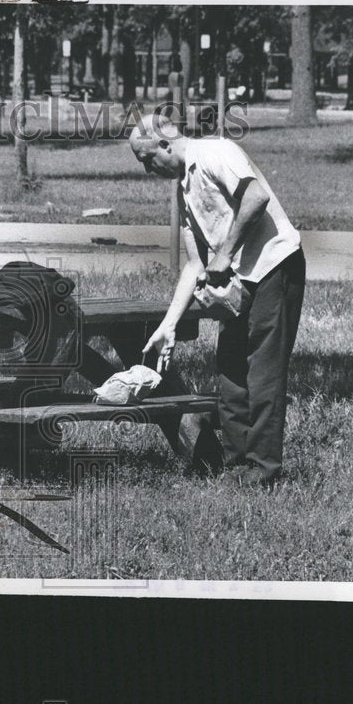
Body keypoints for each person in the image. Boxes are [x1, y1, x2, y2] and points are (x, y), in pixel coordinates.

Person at [130, 113, 306, 486]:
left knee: (263, 372)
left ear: (165, 144)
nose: (149, 171)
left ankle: (263, 472)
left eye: (147, 160)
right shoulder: (184, 188)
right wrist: (168, 325)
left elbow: (256, 197)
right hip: (240, 281)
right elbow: (195, 264)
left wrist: (224, 254)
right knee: (230, 370)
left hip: (275, 265)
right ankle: (236, 465)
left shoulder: (215, 152)